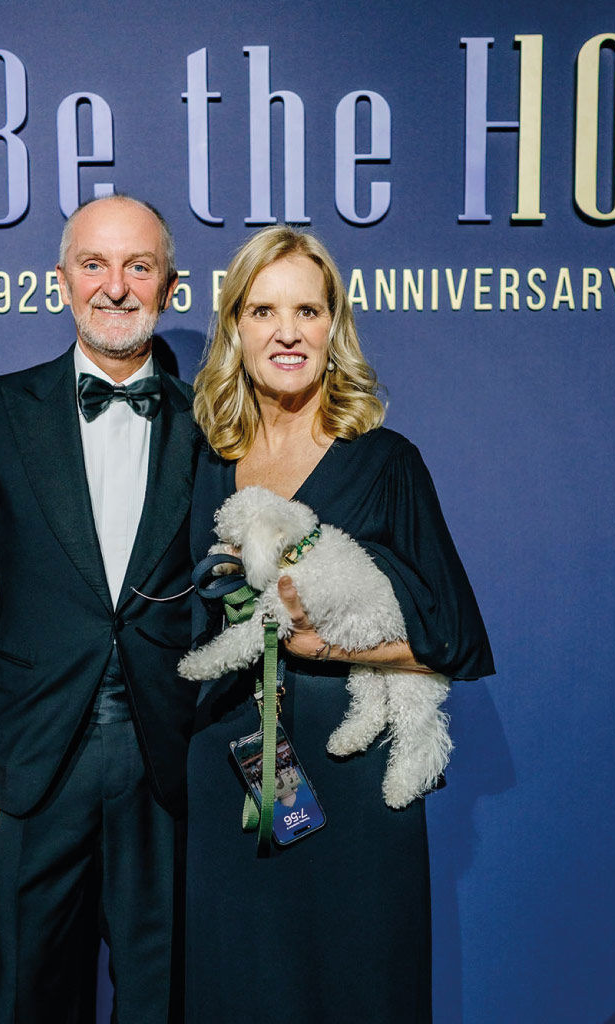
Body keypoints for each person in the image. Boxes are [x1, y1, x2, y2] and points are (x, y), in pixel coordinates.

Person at [186, 226, 494, 1022]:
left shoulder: (387, 460)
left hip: (353, 778)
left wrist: (324, 645)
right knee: (240, 990)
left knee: (357, 987)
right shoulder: (204, 461)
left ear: (334, 327)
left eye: (307, 310)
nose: (287, 332)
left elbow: (454, 637)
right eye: (263, 310)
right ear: (236, 326)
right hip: (231, 771)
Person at [0, 195, 199, 1023]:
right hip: (31, 758)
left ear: (170, 286)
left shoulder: (213, 425)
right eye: (94, 265)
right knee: (29, 995)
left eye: (138, 267)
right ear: (61, 281)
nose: (115, 287)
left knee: (162, 997)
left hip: (169, 762)